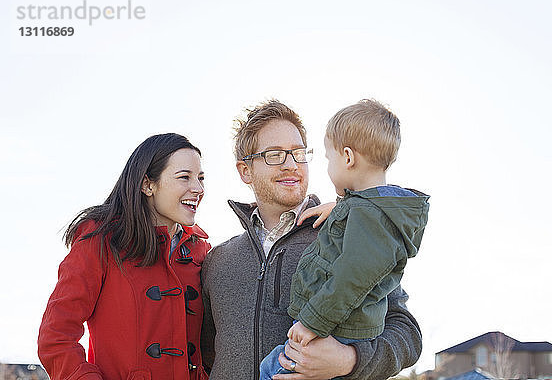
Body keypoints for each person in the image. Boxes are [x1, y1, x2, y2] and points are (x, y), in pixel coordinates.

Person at [201, 100, 424, 380]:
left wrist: (349, 361)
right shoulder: (218, 261)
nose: (291, 165)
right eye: (274, 155)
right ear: (245, 170)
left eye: (298, 153)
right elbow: (206, 355)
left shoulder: (346, 233)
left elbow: (407, 334)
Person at [38, 133, 211, 380]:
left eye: (201, 178)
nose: (198, 188)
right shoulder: (101, 239)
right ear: (147, 184)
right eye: (185, 177)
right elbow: (55, 337)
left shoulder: (200, 251)